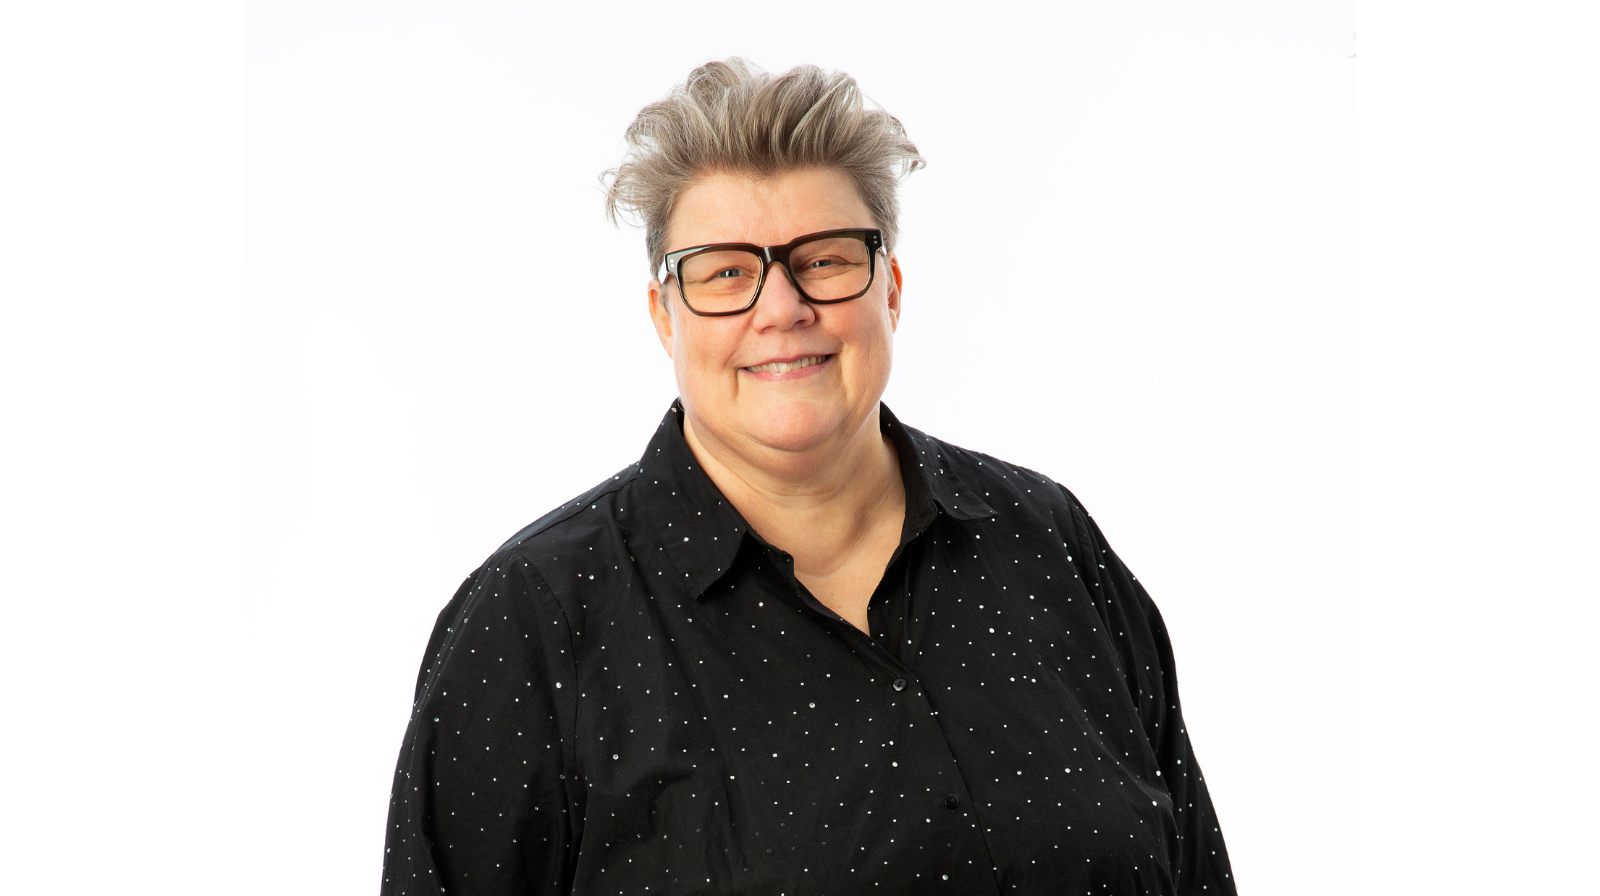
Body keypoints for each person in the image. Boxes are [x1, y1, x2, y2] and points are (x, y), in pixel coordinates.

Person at [380, 58, 1235, 896]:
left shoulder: (1050, 543)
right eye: (726, 273)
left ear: (890, 289)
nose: (783, 308)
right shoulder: (532, 621)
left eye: (824, 260)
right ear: (664, 317)